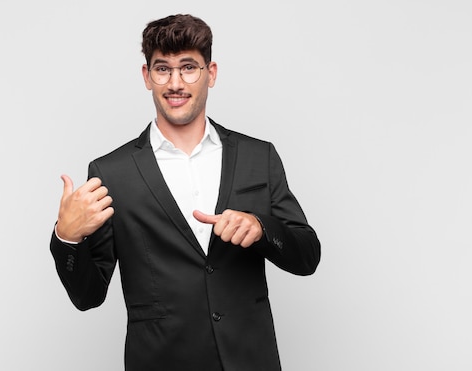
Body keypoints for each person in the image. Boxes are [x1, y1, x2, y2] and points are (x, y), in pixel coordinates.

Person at [50, 13, 321, 371]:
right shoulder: (111, 173)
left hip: (250, 360)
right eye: (163, 69)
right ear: (147, 77)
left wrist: (261, 228)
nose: (175, 82)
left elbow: (307, 256)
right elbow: (88, 295)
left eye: (189, 67)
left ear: (211, 73)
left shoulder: (259, 156)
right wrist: (67, 238)